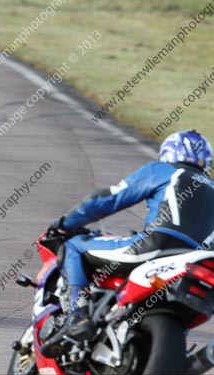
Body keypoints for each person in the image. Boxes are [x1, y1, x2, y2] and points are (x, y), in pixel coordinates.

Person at [41, 130, 214, 357]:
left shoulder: (165, 171)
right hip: (198, 261)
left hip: (155, 246)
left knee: (73, 245)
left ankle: (77, 315)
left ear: (168, 153)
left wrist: (64, 223)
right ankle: (178, 355)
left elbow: (110, 199)